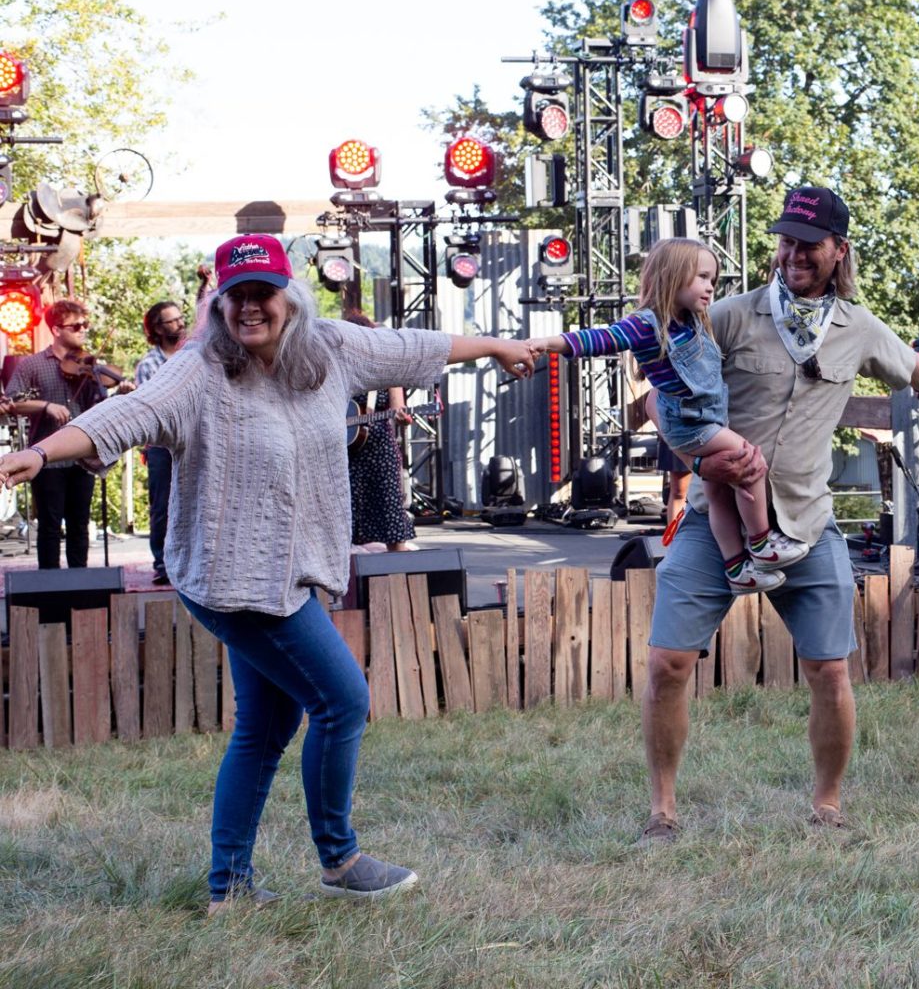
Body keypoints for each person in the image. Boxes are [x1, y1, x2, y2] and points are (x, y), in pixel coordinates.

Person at [0, 234, 537, 914]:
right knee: (343, 702)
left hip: (292, 573)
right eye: (237, 296)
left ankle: (229, 888)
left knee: (264, 725)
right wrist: (43, 453)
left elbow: (413, 346)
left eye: (264, 293)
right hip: (233, 580)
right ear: (219, 304)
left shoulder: (330, 348)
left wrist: (494, 345)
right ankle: (339, 859)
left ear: (291, 297)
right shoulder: (199, 371)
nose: (250, 307)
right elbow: (128, 414)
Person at [633, 187, 919, 842]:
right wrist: (690, 451)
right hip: (718, 522)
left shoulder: (858, 328)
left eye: (809, 244)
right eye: (786, 242)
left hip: (807, 527)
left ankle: (826, 804)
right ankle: (662, 810)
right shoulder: (730, 316)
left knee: (829, 670)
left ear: (839, 250)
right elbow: (659, 390)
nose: (794, 254)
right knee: (666, 666)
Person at [531, 238, 807, 593]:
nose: (710, 286)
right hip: (692, 424)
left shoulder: (693, 321)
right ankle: (762, 543)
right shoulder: (647, 325)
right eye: (702, 277)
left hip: (705, 420)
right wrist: (547, 344)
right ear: (672, 276)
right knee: (751, 463)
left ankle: (738, 569)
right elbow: (599, 339)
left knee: (718, 495)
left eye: (713, 279)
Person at [5, 299, 129, 568]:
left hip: (82, 458)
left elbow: (99, 408)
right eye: (76, 326)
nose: (83, 329)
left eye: (85, 324)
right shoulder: (32, 365)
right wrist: (46, 406)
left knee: (79, 524)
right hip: (46, 459)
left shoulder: (90, 367)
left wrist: (119, 393)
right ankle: (49, 583)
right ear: (57, 330)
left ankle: (79, 581)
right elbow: (12, 401)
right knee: (49, 525)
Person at [343, 310, 416, 552]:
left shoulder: (387, 370)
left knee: (389, 512)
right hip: (343, 450)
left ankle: (400, 570)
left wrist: (403, 418)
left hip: (379, 449)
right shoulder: (338, 370)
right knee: (346, 515)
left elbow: (399, 410)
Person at [136, 298, 190, 584]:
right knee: (162, 505)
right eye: (173, 320)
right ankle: (163, 564)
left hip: (192, 441)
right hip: (162, 445)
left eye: (181, 318)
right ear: (157, 329)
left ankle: (191, 563)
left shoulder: (193, 355)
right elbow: (151, 410)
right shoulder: (149, 364)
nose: (180, 324)